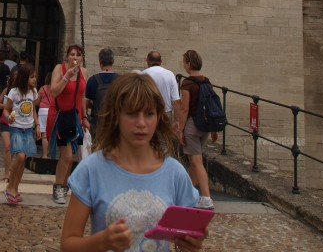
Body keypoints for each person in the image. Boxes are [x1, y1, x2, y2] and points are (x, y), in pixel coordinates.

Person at [60, 72, 207, 252]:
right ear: (116, 116)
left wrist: (192, 244)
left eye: (149, 114)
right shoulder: (90, 170)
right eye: (132, 114)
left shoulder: (175, 173)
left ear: (158, 117)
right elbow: (67, 244)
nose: (141, 123)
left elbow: (187, 238)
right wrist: (102, 241)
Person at [47, 43, 89, 205]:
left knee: (71, 157)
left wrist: (84, 116)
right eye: (72, 54)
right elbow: (54, 91)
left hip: (75, 118)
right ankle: (58, 187)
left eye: (78, 55)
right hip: (61, 116)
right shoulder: (60, 69)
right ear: (67, 56)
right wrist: (66, 76)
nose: (75, 57)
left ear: (82, 58)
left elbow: (82, 96)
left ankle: (63, 187)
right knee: (67, 155)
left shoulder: (83, 72)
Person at [178, 49, 218, 210]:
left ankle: (206, 197)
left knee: (196, 162)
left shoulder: (187, 84)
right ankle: (188, 194)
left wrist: (180, 130)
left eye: (184, 62)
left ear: (188, 64)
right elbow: (211, 106)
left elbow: (184, 109)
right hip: (205, 126)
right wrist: (214, 129)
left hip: (192, 126)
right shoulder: (206, 81)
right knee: (194, 162)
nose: (183, 65)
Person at [2, 63, 41, 204]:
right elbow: (6, 109)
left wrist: (37, 125)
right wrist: (8, 117)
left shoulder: (34, 92)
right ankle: (9, 186)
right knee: (19, 156)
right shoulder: (14, 92)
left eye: (35, 77)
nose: (34, 79)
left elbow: (33, 110)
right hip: (16, 127)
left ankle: (15, 188)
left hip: (28, 129)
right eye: (32, 77)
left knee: (23, 159)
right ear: (25, 78)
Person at [85, 47, 119, 141]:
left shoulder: (92, 80)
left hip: (97, 125)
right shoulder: (120, 80)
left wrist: (85, 119)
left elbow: (86, 104)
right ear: (113, 61)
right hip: (115, 125)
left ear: (100, 62)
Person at [141, 50, 181, 133]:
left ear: (148, 61)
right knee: (164, 138)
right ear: (160, 61)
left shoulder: (143, 74)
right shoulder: (170, 74)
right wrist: (176, 121)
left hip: (148, 113)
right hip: (166, 113)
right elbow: (176, 101)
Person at [0, 67, 19, 182]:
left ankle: (11, 170)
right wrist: (6, 106)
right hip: (5, 120)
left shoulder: (23, 92)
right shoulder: (7, 90)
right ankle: (7, 173)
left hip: (17, 122)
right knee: (7, 146)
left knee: (14, 149)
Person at [35, 72, 53, 159]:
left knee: (44, 135)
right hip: (52, 111)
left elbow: (37, 102)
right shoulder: (56, 88)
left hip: (43, 111)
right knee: (51, 133)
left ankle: (45, 154)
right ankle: (50, 152)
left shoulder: (42, 88)